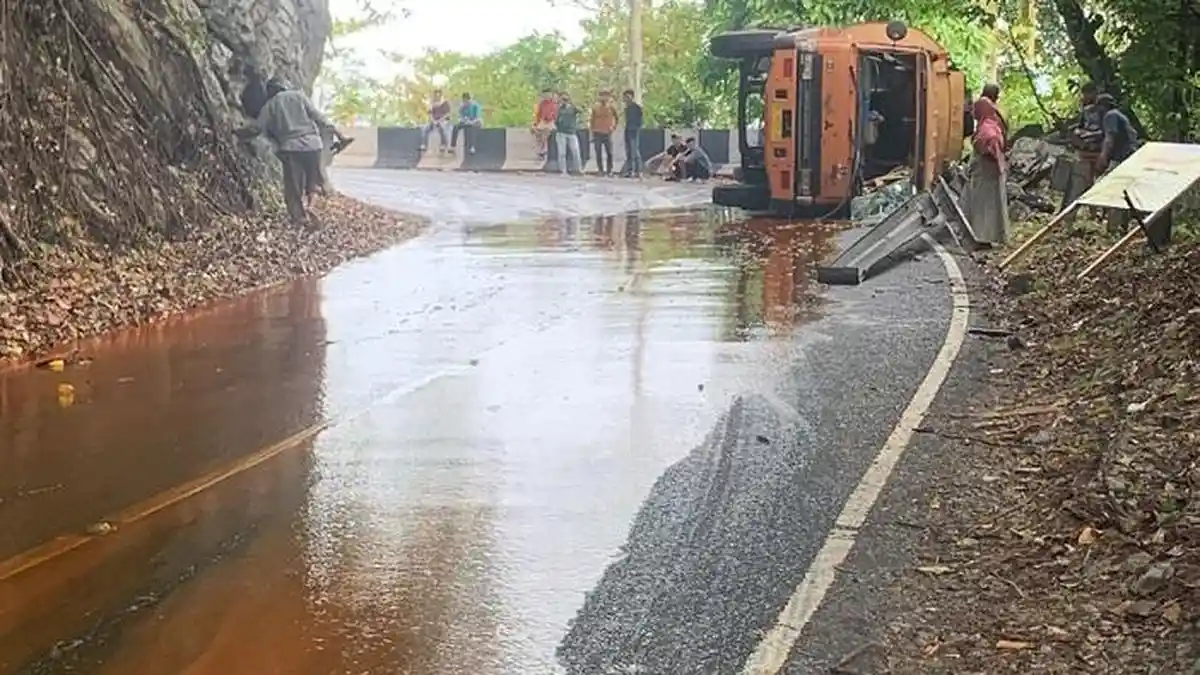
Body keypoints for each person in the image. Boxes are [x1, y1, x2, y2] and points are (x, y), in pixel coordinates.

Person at [239, 76, 345, 226]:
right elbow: (319, 117)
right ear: (285, 86)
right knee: (312, 181)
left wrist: (239, 133)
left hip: (291, 147)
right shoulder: (299, 96)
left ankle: (299, 218)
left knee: (293, 187)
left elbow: (257, 128)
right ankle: (311, 206)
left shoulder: (270, 105)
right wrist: (340, 135)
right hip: (313, 145)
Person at [963, 84, 1009, 246]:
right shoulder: (992, 121)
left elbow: (992, 143)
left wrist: (987, 152)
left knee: (984, 204)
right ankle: (987, 236)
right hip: (989, 169)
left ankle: (982, 236)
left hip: (986, 169)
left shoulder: (988, 127)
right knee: (988, 203)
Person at [1094, 93, 1139, 232]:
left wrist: (1103, 157)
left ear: (1103, 106)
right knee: (1124, 191)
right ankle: (1121, 225)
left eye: (1099, 107)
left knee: (1109, 189)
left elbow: (1110, 138)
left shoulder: (1110, 116)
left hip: (1121, 158)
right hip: (1131, 157)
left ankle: (1113, 227)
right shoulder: (1120, 116)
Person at [1061, 81, 1104, 223]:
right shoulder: (1085, 111)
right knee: (1082, 183)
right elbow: (1080, 127)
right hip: (1084, 152)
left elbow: (1105, 132)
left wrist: (1089, 135)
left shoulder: (1103, 111)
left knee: (1093, 184)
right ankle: (1077, 215)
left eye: (1086, 94)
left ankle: (1095, 214)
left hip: (1098, 152)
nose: (1084, 97)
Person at [589, 90, 619, 175]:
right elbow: (592, 120)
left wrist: (613, 127)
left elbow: (616, 118)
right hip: (597, 132)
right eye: (602, 96)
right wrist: (592, 131)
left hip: (607, 132)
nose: (604, 98)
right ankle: (600, 170)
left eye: (606, 96)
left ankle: (610, 170)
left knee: (609, 152)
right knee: (598, 152)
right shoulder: (595, 107)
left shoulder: (611, 107)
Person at [554, 92, 582, 175]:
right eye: (562, 100)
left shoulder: (572, 108)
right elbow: (555, 119)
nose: (564, 101)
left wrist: (572, 103)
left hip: (571, 132)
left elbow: (580, 110)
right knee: (562, 153)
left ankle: (578, 169)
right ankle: (563, 170)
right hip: (561, 132)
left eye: (565, 100)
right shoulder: (559, 109)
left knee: (575, 151)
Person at [619, 89, 644, 178]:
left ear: (632, 97)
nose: (626, 99)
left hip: (634, 131)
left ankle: (638, 170)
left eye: (628, 97)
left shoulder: (637, 108)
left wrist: (636, 128)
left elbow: (640, 121)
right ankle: (630, 171)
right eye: (625, 97)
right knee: (629, 152)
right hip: (628, 130)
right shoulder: (627, 108)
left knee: (634, 151)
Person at [531, 89, 559, 159]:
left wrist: (552, 119)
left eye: (548, 94)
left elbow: (556, 114)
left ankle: (544, 149)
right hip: (543, 121)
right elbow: (538, 114)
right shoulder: (542, 104)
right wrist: (535, 123)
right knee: (536, 131)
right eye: (545, 95)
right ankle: (541, 148)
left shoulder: (554, 104)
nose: (547, 96)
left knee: (546, 131)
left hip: (551, 122)